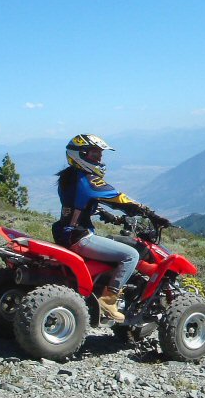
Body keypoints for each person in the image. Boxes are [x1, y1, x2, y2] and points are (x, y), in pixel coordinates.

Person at [51, 134, 170, 323]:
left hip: (65, 233)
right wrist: (148, 212)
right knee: (131, 255)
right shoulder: (87, 179)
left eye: (100, 154)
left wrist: (109, 216)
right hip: (80, 237)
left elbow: (81, 202)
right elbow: (118, 198)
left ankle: (104, 286)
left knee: (113, 243)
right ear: (80, 154)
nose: (99, 158)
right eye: (94, 154)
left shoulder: (69, 177)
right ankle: (109, 299)